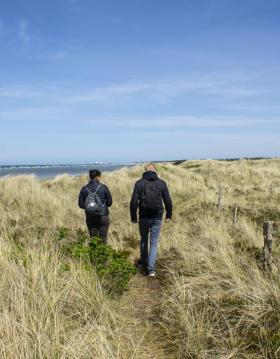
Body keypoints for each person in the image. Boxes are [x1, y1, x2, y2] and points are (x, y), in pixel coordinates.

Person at [130, 163, 172, 277]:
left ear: (145, 170)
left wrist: (133, 217)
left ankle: (144, 265)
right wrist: (169, 215)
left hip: (143, 216)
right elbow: (167, 200)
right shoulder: (161, 183)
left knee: (144, 240)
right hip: (157, 216)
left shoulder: (139, 183)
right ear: (155, 170)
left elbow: (134, 202)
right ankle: (151, 269)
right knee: (153, 243)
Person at [78, 169, 112, 243]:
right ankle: (103, 254)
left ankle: (94, 254)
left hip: (90, 217)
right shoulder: (103, 187)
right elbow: (109, 202)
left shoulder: (84, 189)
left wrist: (90, 207)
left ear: (90, 177)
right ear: (97, 177)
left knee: (93, 240)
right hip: (103, 216)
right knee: (103, 239)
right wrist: (101, 206)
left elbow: (80, 204)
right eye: (99, 176)